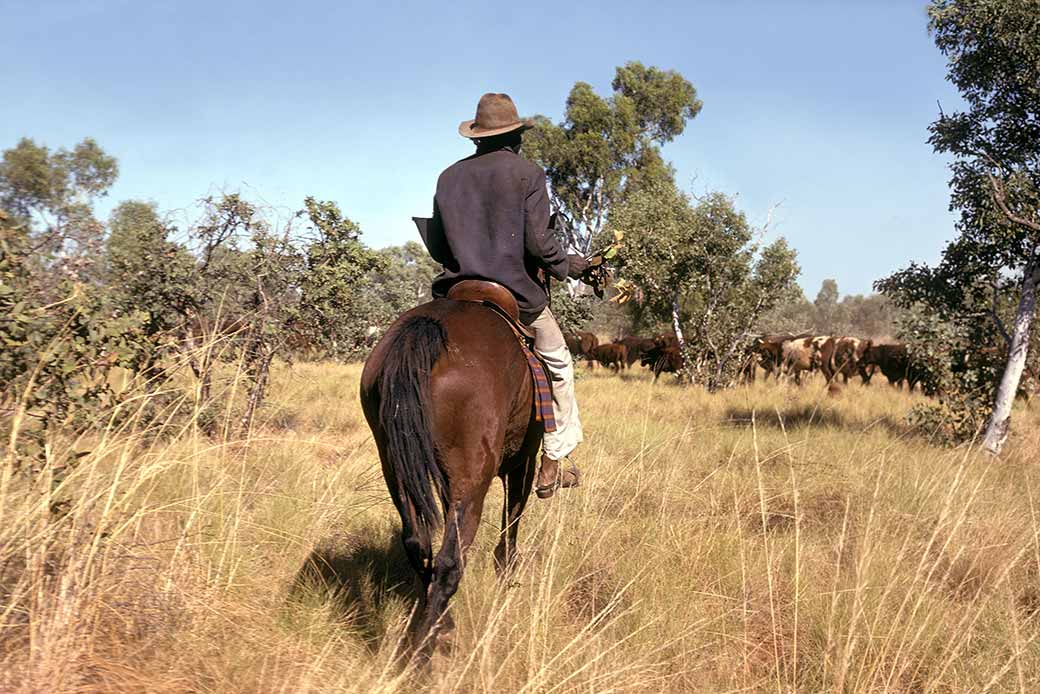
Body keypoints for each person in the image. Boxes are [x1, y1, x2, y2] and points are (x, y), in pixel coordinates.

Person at [421, 92, 589, 499]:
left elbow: (440, 246)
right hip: (515, 295)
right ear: (515, 135)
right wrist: (570, 265)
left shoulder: (448, 177)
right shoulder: (528, 174)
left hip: (456, 292)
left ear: (476, 137)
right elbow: (538, 244)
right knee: (559, 363)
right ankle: (554, 457)